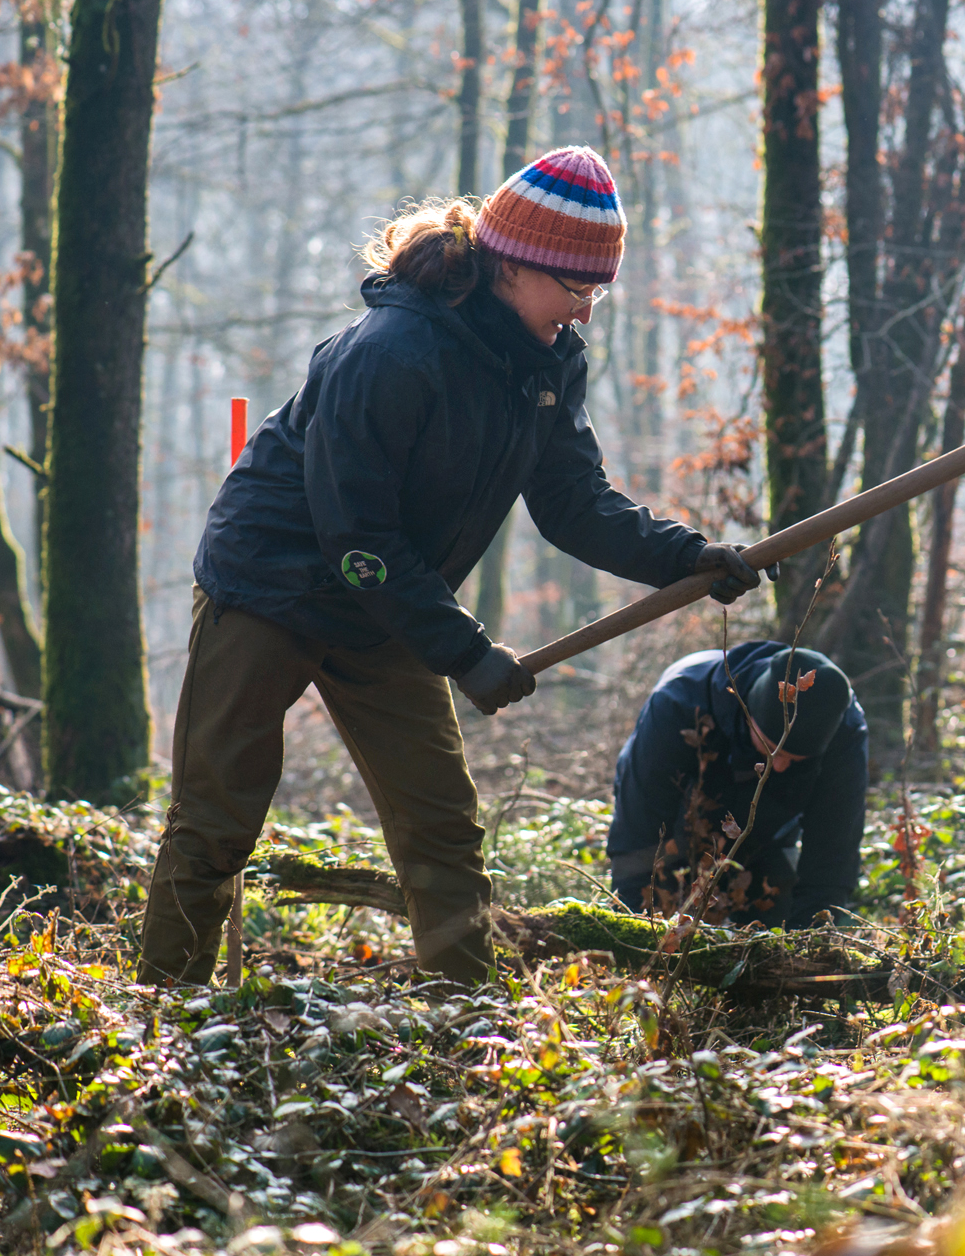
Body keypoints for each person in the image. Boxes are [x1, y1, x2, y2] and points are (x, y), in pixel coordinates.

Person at [137, 146, 763, 987]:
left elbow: (574, 501)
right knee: (218, 815)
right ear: (515, 265)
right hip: (272, 585)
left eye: (597, 294)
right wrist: (465, 651)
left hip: (388, 603)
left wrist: (686, 557)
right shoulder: (393, 353)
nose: (583, 313)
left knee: (443, 829)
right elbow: (355, 534)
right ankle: (164, 1007)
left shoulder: (546, 365)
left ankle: (467, 1018)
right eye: (575, 290)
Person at [608, 643, 866, 928]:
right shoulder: (677, 703)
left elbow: (832, 853)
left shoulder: (845, 733)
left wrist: (814, 941)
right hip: (680, 818)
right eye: (771, 748)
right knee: (658, 902)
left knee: (773, 918)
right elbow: (638, 832)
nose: (778, 765)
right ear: (748, 714)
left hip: (771, 830)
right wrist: (634, 923)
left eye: (794, 759)